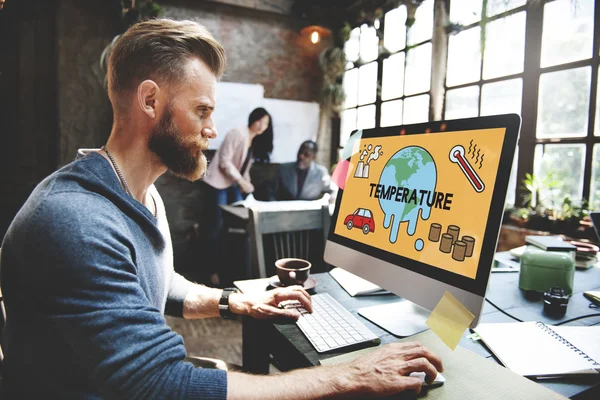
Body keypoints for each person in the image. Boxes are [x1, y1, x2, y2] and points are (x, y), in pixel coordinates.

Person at [0, 18, 443, 399]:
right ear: (150, 101)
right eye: (202, 110)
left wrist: (239, 303)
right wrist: (351, 377)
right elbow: (165, 384)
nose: (212, 129)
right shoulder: (76, 221)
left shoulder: (141, 194)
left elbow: (159, 284)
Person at [270, 140, 335, 201]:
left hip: (310, 211)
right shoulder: (284, 169)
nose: (301, 156)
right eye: (300, 152)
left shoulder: (321, 172)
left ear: (314, 157)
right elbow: (270, 191)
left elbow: (334, 190)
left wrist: (330, 200)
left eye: (306, 154)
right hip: (284, 210)